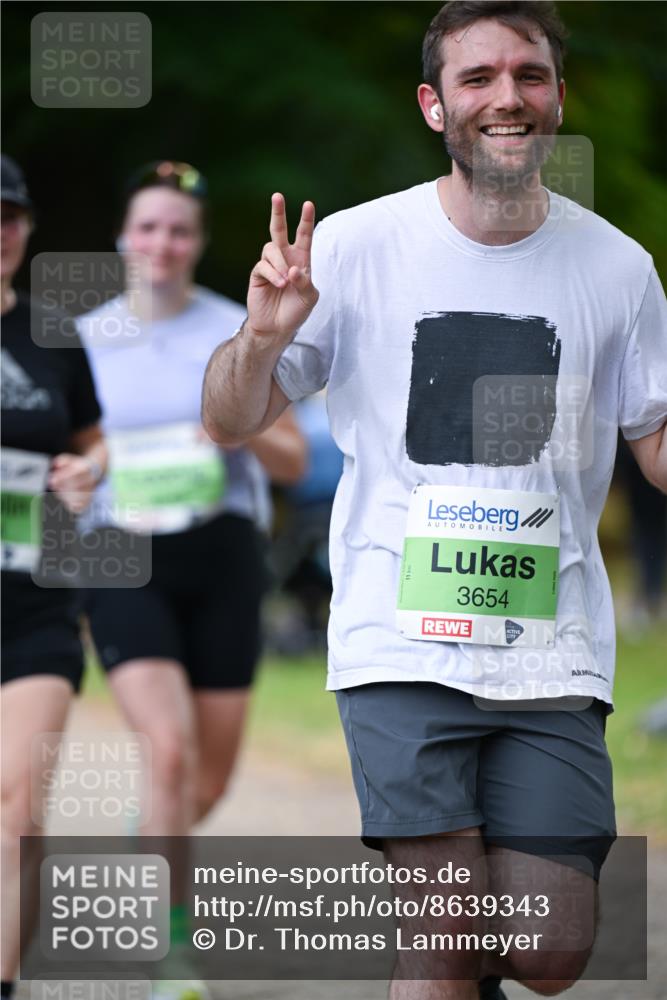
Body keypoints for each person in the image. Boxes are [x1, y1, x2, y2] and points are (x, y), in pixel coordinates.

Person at [202, 2, 667, 998]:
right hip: (397, 638)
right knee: (443, 935)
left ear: (556, 95)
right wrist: (262, 336)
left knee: (548, 949)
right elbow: (232, 419)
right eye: (478, 77)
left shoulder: (620, 268)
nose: (507, 96)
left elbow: (653, 444)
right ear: (433, 104)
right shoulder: (357, 246)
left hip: (549, 647)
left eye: (529, 75)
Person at [77, 161, 306, 1000]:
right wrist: (82, 472)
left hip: (221, 557)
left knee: (201, 781)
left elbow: (295, 459)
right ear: (123, 238)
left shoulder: (236, 328)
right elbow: (69, 457)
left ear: (199, 242)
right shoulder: (89, 337)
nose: (162, 243)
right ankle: (169, 954)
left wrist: (230, 427)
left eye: (179, 230)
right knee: (166, 755)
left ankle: (152, 841)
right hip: (121, 555)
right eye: (148, 227)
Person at [1, 155, 106, 1000]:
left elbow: (93, 441)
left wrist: (83, 472)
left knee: (17, 809)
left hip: (34, 607)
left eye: (9, 215)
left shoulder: (52, 335)